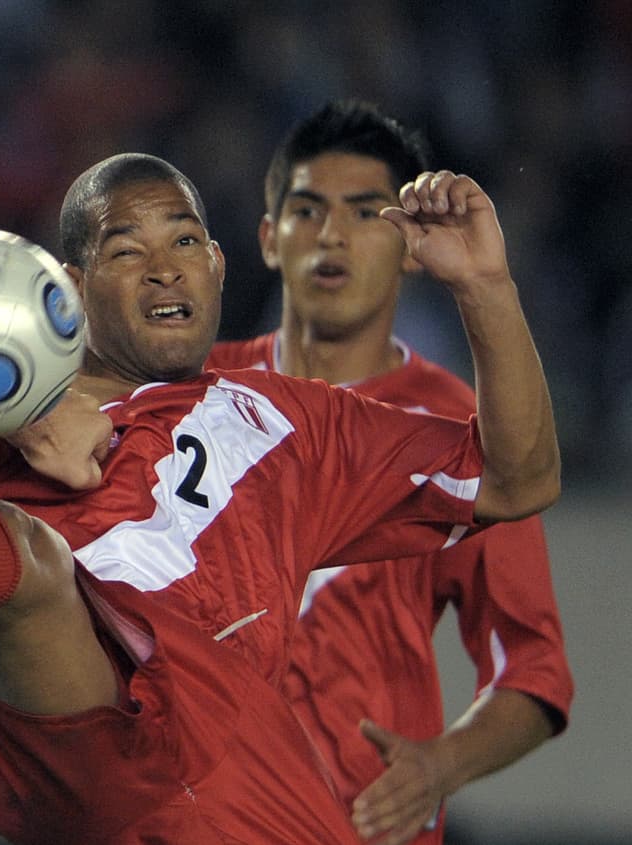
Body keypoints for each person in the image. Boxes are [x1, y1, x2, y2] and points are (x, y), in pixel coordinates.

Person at [0, 152, 561, 842]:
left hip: (227, 755)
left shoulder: (290, 420)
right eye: (127, 250)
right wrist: (28, 407)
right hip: (91, 740)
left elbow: (516, 479)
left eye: (185, 242)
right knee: (28, 564)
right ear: (69, 287)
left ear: (220, 263)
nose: (166, 268)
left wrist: (484, 285)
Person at [205, 100, 573, 845]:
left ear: (410, 244)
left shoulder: (461, 431)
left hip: (361, 827)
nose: (332, 234)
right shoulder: (196, 395)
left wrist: (441, 765)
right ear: (269, 239)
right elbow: (79, 561)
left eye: (365, 211)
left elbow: (533, 666)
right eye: (307, 211)